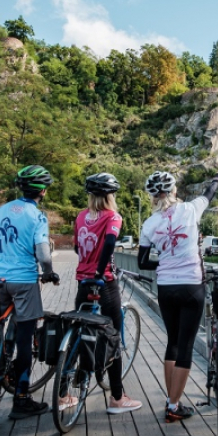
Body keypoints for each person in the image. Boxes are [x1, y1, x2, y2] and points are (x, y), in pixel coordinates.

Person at [138, 170, 218, 423]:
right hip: (191, 286)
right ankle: (173, 406)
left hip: (166, 287)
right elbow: (209, 193)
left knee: (172, 342)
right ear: (174, 191)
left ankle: (171, 399)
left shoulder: (149, 224)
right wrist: (217, 179)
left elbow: (142, 262)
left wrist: (165, 263)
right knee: (186, 345)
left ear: (152, 197)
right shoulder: (190, 209)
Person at [0, 165, 60, 420]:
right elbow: (43, 254)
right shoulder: (36, 216)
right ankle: (22, 399)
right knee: (25, 338)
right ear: (43, 191)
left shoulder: (3, 209)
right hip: (24, 282)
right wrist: (47, 272)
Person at [74, 172, 142, 414]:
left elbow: (76, 246)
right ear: (110, 196)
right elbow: (111, 242)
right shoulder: (113, 216)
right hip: (104, 282)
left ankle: (63, 394)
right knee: (113, 335)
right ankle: (117, 397)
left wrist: (89, 267)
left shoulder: (81, 216)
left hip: (82, 280)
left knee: (78, 332)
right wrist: (101, 272)